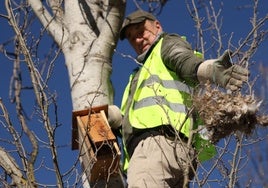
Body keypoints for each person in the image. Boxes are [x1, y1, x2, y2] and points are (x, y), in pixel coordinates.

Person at [116, 9, 249, 188]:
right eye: (133, 38)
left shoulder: (165, 44)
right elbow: (134, 120)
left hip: (157, 147)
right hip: (178, 154)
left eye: (141, 32)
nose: (138, 39)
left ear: (157, 26)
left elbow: (184, 61)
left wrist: (211, 70)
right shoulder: (139, 75)